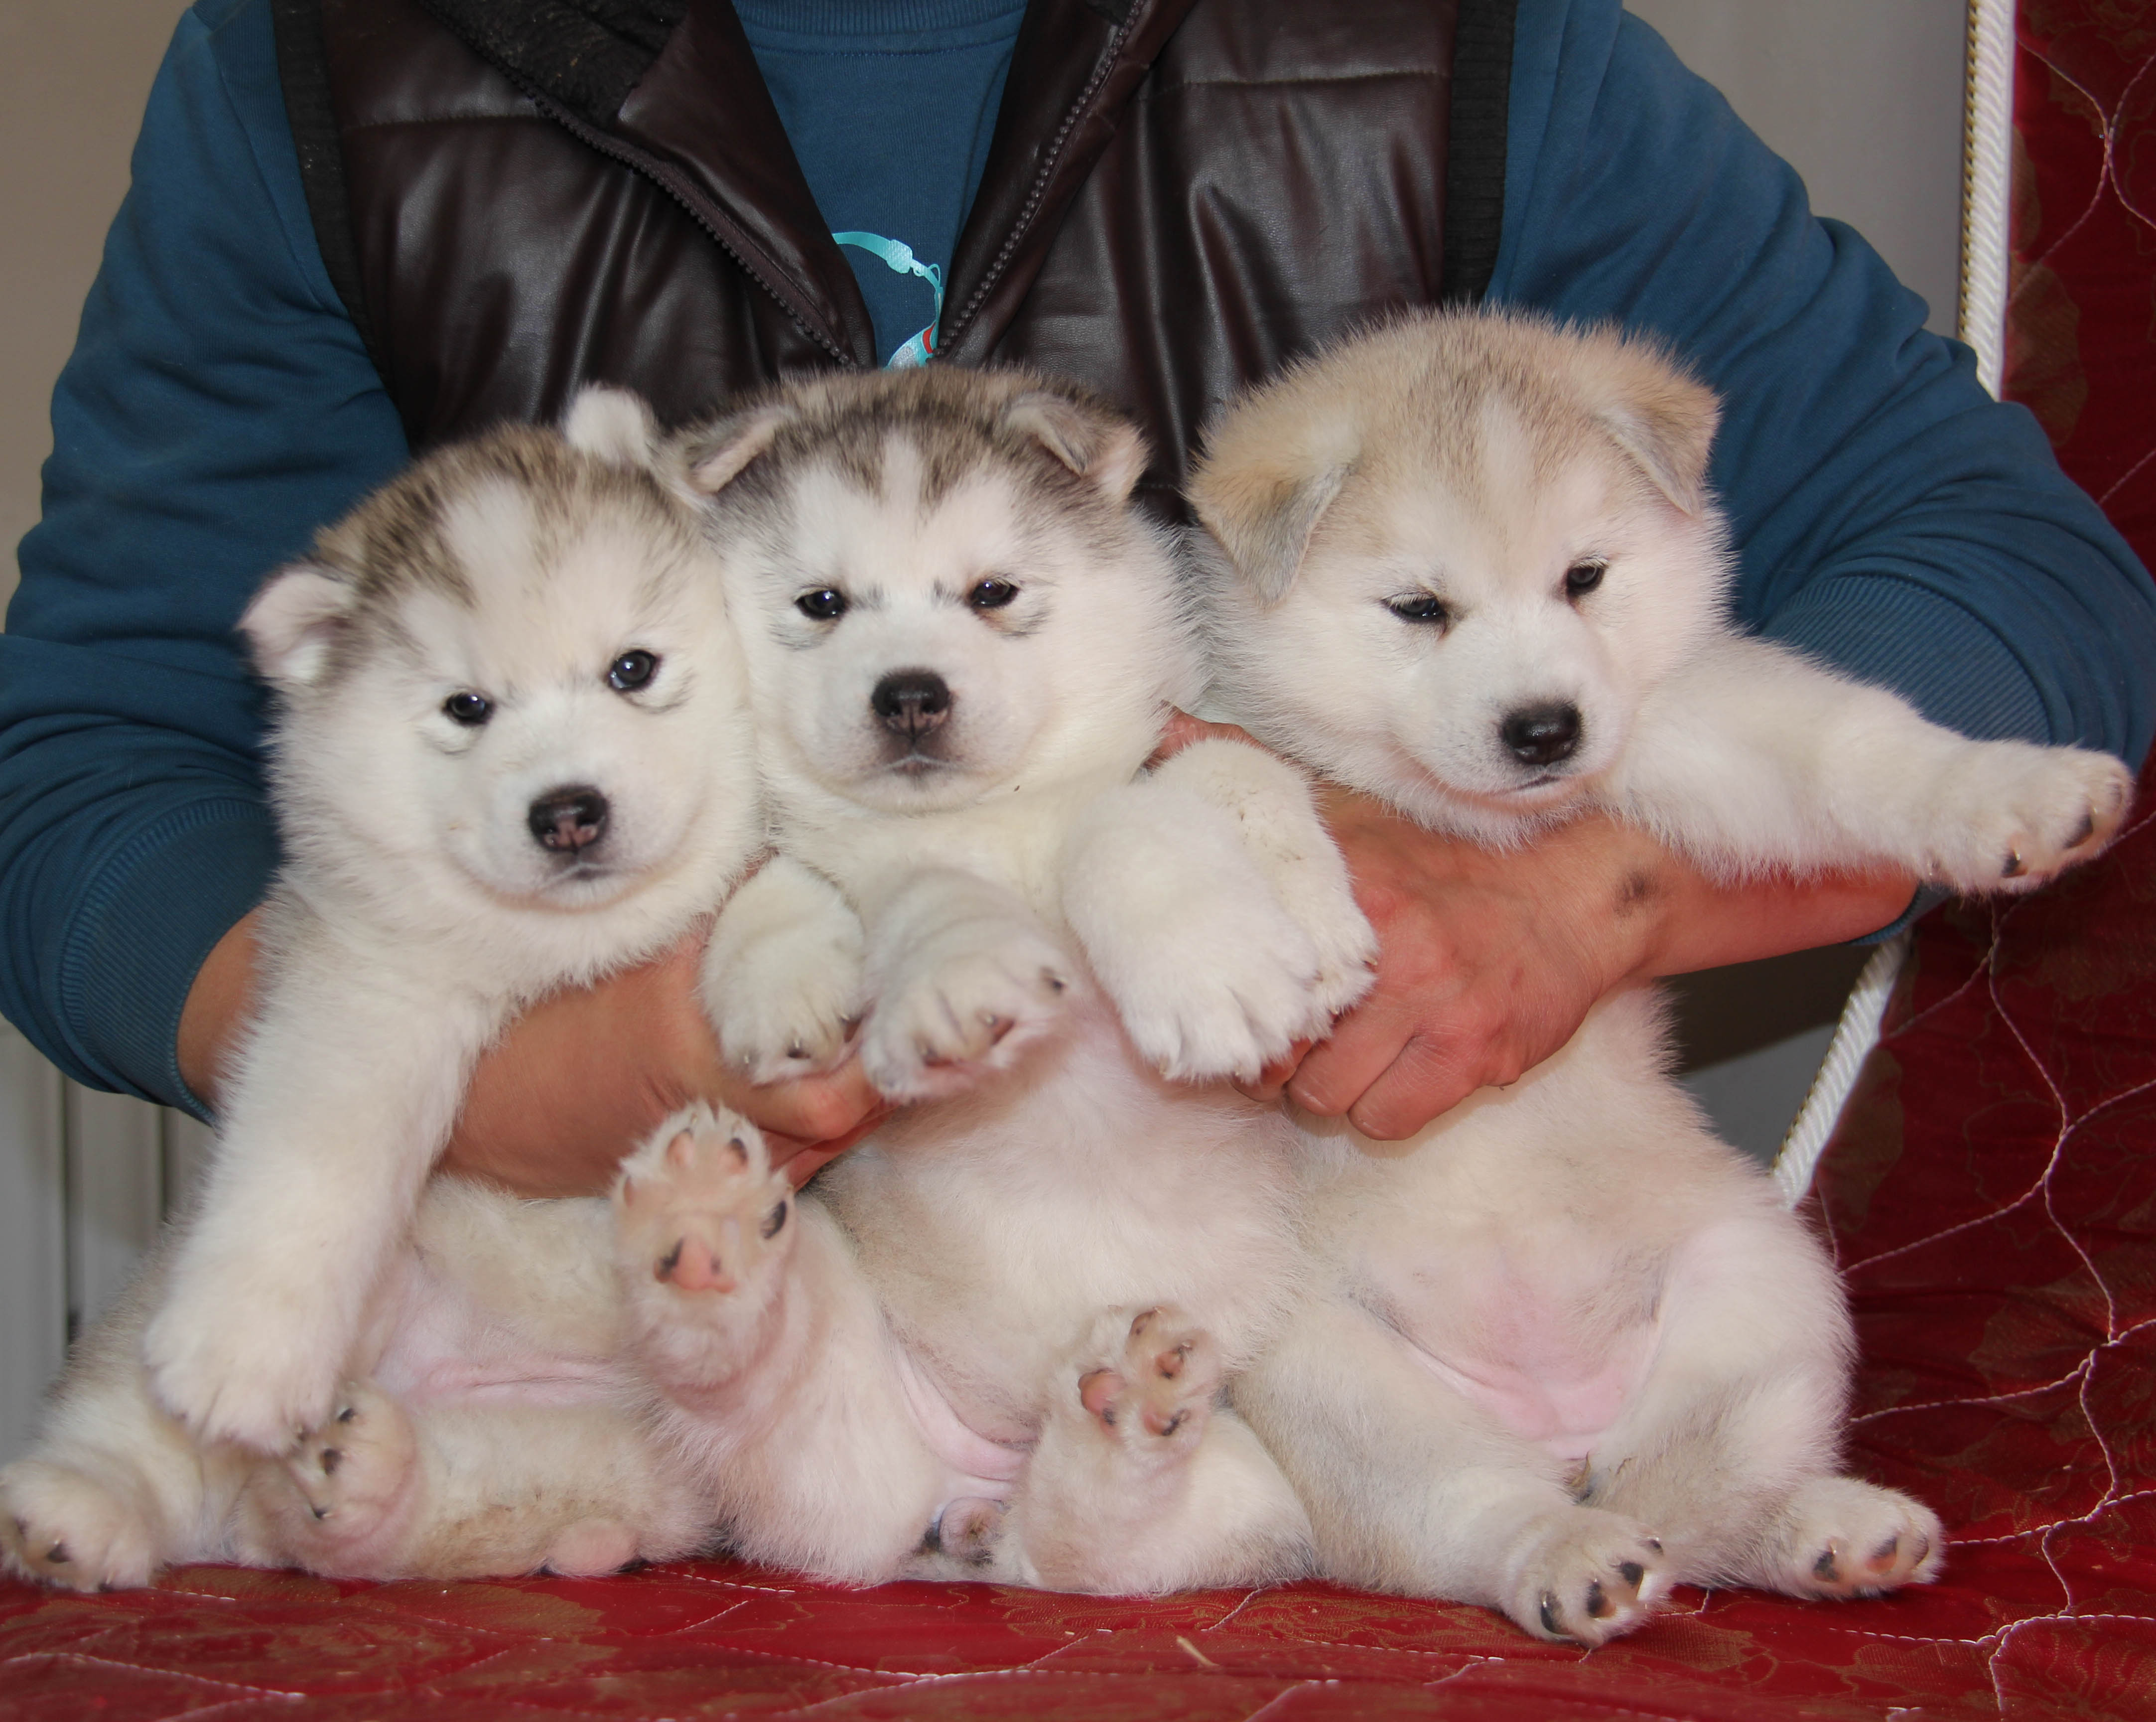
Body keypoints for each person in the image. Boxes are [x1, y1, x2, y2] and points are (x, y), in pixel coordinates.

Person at [4, 0, 2151, 1200]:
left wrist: (1581, 894)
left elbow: (2021, 577)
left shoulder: (1472, 39)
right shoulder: (323, 63)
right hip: (616, 1354)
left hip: (1286, 1336)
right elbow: (86, 761)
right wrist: (484, 1077)